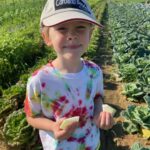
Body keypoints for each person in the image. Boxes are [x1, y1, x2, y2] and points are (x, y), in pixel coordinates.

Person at [24, 0, 114, 149]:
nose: (72, 35)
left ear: (90, 34)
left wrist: (100, 114)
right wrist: (53, 127)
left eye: (80, 27)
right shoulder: (39, 80)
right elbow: (32, 116)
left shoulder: (94, 71)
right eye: (62, 28)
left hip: (91, 143)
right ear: (47, 37)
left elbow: (97, 98)